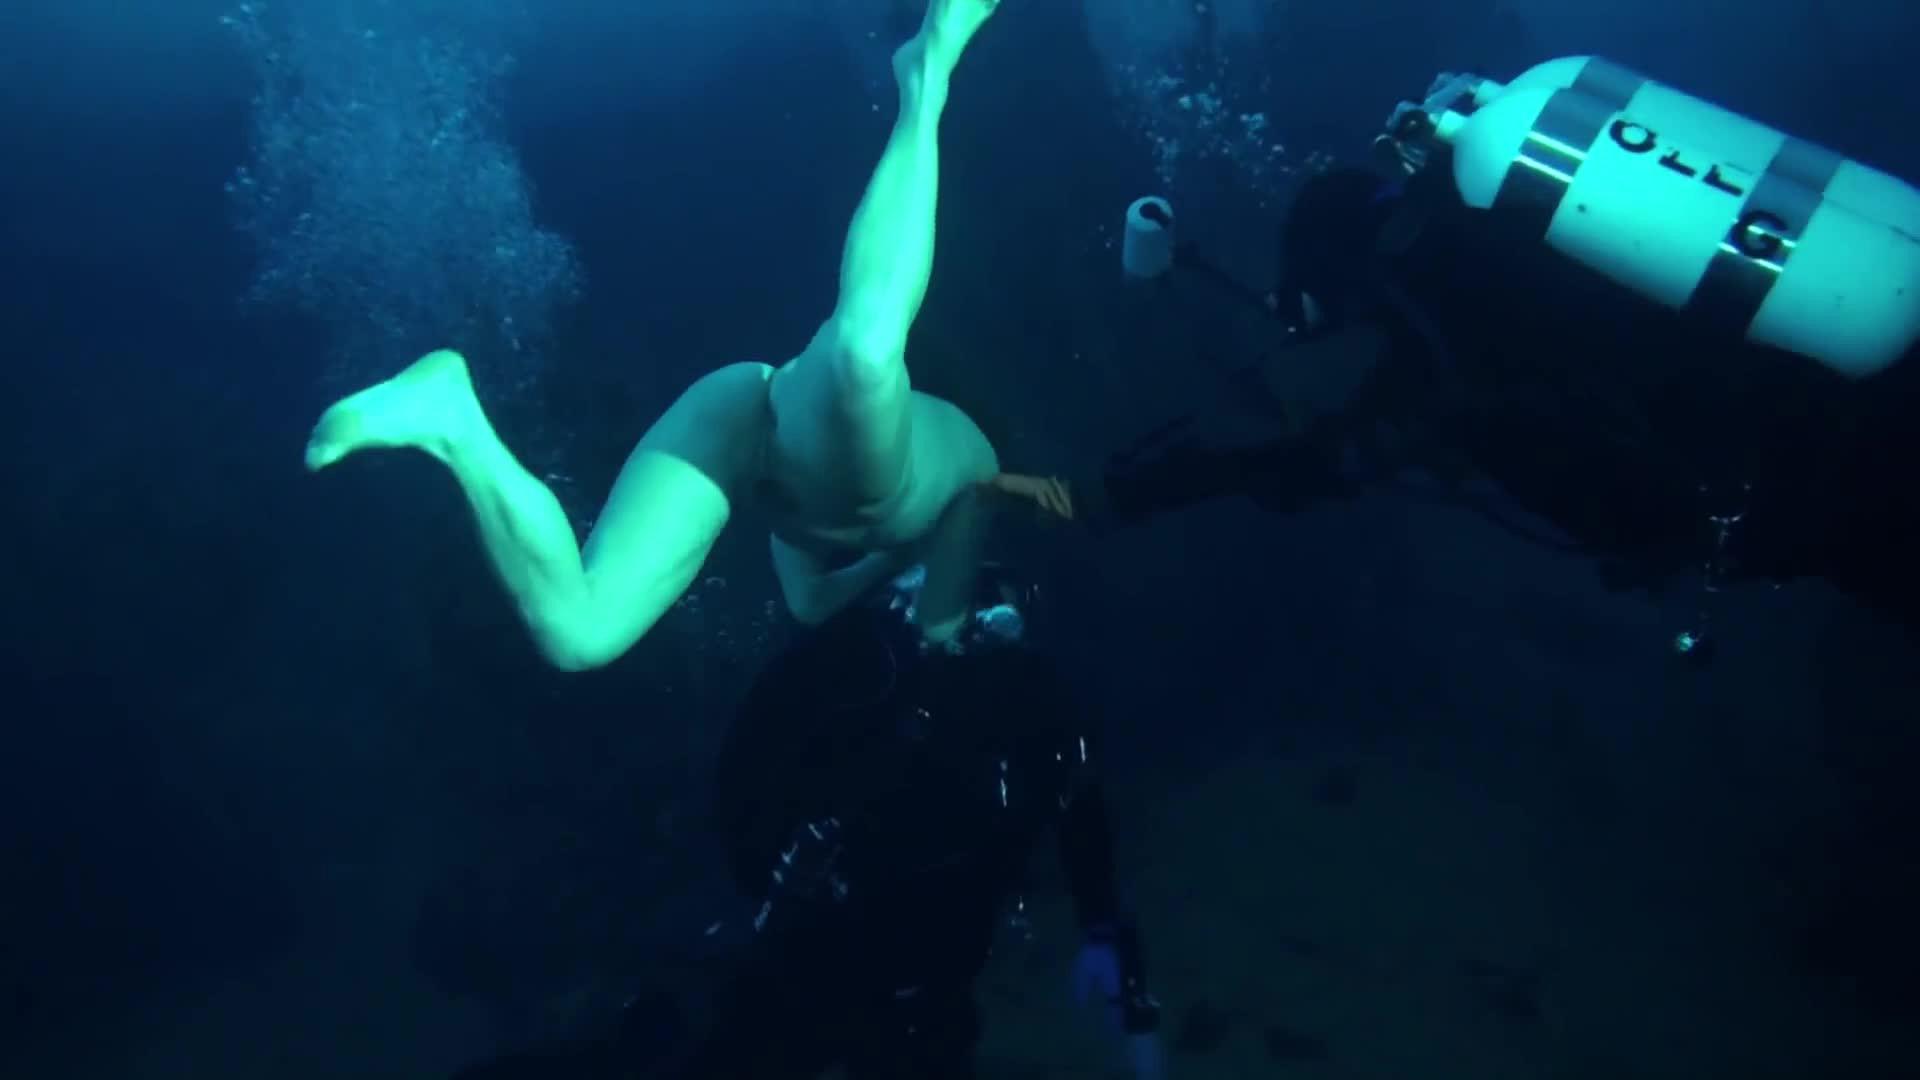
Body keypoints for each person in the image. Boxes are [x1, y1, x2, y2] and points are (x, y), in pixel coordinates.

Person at [1073, 71, 1920, 641]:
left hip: (1819, 488)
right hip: (1852, 390)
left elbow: (1261, 425)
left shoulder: (1408, 303)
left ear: (1331, 261)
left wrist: (1102, 495)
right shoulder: (1484, 242)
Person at [301, 0, 1007, 671]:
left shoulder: (866, 521)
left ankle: (453, 420)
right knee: (865, 350)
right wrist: (917, 573)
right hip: (809, 436)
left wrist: (892, 562)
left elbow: (809, 602)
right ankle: (928, 77)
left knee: (581, 634)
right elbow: (938, 631)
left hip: (743, 424)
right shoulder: (974, 469)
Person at [449, 564, 1166, 1080]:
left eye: (1008, 610)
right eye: (982, 605)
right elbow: (760, 770)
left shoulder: (1034, 711)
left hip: (915, 966)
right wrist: (778, 886)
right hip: (825, 948)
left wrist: (1109, 942)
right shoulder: (874, 672)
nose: (993, 629)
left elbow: (1080, 818)